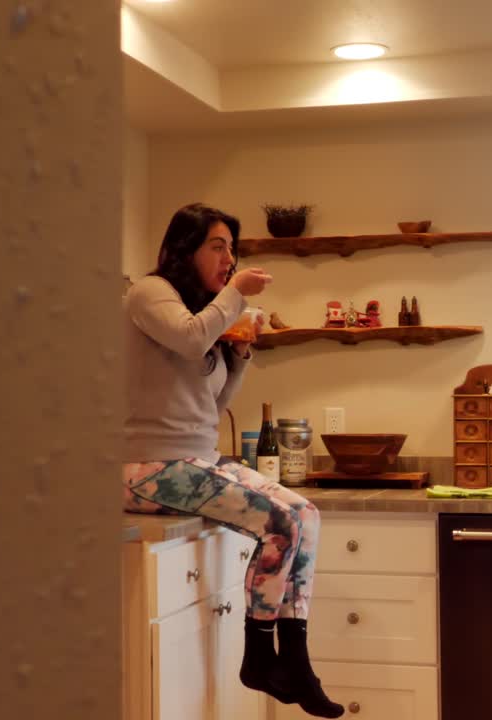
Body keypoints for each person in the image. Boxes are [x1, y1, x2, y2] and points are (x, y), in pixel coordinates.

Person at [122, 203, 344, 719]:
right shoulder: (152, 294)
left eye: (232, 249)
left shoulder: (207, 313)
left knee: (305, 515)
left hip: (194, 459)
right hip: (146, 466)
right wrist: (237, 293)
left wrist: (242, 352)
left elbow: (212, 406)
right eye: (217, 246)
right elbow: (191, 335)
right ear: (185, 249)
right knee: (281, 523)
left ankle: (295, 658)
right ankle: (260, 652)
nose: (228, 258)